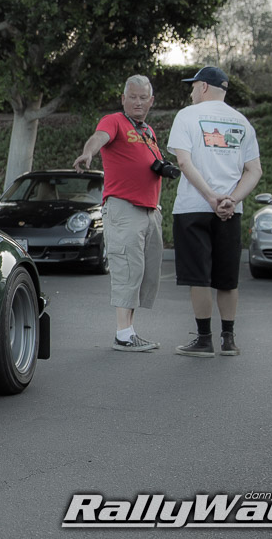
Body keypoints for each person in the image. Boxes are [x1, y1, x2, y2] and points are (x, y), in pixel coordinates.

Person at [167, 66, 262, 358]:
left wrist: (210, 197)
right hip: (229, 212)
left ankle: (204, 339)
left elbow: (183, 162)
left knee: (199, 277)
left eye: (193, 86)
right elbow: (254, 170)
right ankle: (229, 339)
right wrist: (231, 200)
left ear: (204, 87)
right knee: (227, 277)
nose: (191, 91)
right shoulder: (242, 122)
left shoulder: (186, 115)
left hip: (194, 208)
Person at [74, 75, 165, 352]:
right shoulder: (114, 121)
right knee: (127, 268)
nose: (138, 102)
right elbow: (98, 138)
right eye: (132, 97)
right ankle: (123, 334)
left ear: (151, 102)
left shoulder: (148, 130)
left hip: (149, 210)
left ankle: (130, 330)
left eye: (143, 98)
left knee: (143, 272)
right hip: (124, 207)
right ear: (123, 99)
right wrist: (88, 153)